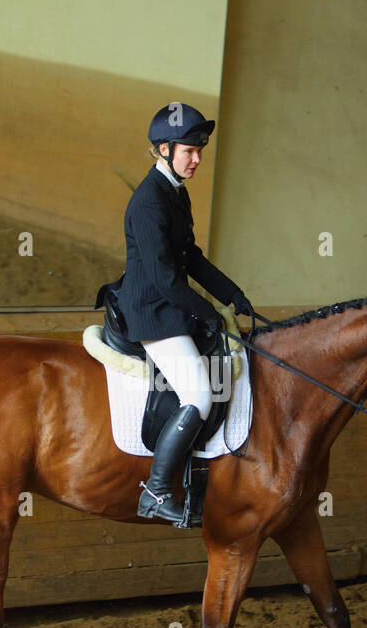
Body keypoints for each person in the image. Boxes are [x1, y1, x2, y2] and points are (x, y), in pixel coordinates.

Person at [94, 102, 254, 525]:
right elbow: (166, 279)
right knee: (200, 393)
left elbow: (190, 256)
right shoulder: (148, 201)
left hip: (168, 306)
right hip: (153, 313)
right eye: (189, 151)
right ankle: (157, 491)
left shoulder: (175, 193)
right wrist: (208, 313)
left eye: (200, 150)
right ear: (163, 149)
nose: (197, 158)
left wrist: (231, 293)